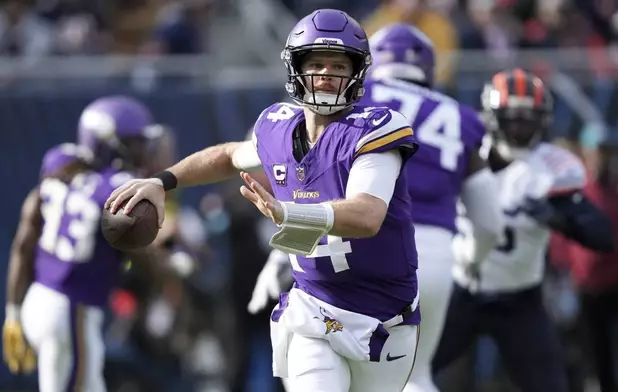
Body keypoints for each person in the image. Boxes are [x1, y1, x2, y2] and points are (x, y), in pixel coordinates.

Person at [106, 9, 422, 392]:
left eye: (338, 65)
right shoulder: (277, 127)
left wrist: (289, 212)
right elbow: (226, 156)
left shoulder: (373, 131)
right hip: (315, 307)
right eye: (316, 63)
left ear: (356, 72)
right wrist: (162, 181)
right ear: (295, 69)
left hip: (383, 315)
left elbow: (368, 215)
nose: (325, 74)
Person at [247, 22, 504, 392]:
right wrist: (471, 261)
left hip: (350, 245)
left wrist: (279, 256)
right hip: (431, 255)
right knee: (414, 379)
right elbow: (488, 220)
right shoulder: (460, 118)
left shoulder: (343, 105)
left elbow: (286, 172)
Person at [432, 69, 616, 392]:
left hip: (519, 299)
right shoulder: (463, 151)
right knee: (410, 370)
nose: (519, 128)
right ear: (491, 118)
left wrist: (560, 219)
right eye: (512, 119)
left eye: (528, 119)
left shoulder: (549, 168)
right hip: (460, 291)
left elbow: (603, 236)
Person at [4, 96, 164, 392]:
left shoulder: (61, 166)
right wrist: (163, 277)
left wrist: (13, 310)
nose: (145, 149)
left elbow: (24, 243)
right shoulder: (118, 187)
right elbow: (145, 260)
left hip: (37, 299)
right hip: (70, 311)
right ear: (113, 143)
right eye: (137, 141)